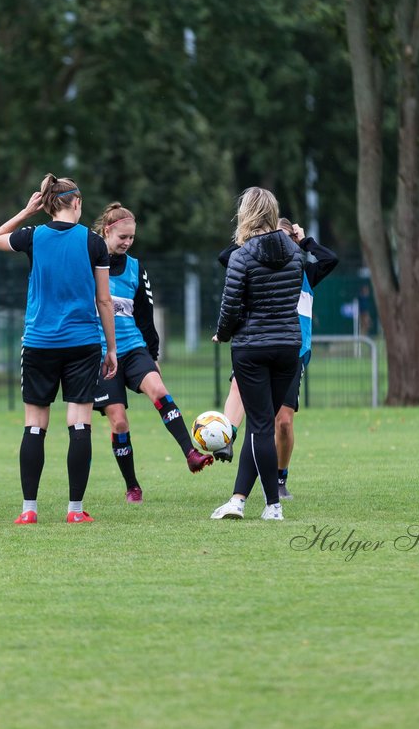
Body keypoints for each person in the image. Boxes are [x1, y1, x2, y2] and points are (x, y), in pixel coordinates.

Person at [0, 174, 118, 525]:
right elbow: (104, 300)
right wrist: (111, 348)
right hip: (83, 343)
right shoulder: (94, 243)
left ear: (47, 205)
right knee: (80, 424)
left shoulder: (33, 236)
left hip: (39, 343)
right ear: (76, 203)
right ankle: (75, 511)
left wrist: (26, 212)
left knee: (35, 425)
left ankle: (29, 510)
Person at [89, 203, 212, 504]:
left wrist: (153, 353)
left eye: (131, 238)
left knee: (158, 389)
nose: (127, 243)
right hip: (100, 354)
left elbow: (146, 312)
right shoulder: (87, 262)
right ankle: (132, 485)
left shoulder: (135, 268)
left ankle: (190, 453)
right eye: (122, 237)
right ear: (107, 231)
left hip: (132, 347)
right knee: (118, 422)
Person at [216, 216, 335, 503]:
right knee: (240, 390)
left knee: (282, 421)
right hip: (259, 342)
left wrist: (304, 240)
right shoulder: (257, 264)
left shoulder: (303, 268)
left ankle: (280, 478)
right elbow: (225, 257)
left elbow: (330, 260)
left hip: (294, 349)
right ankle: (225, 439)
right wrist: (249, 236)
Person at [209, 188, 304, 521]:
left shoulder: (242, 255)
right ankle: (237, 500)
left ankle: (272, 507)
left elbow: (230, 304)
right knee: (259, 426)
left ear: (247, 213)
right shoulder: (295, 252)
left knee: (260, 426)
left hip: (251, 347)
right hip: (288, 347)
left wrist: (222, 333)